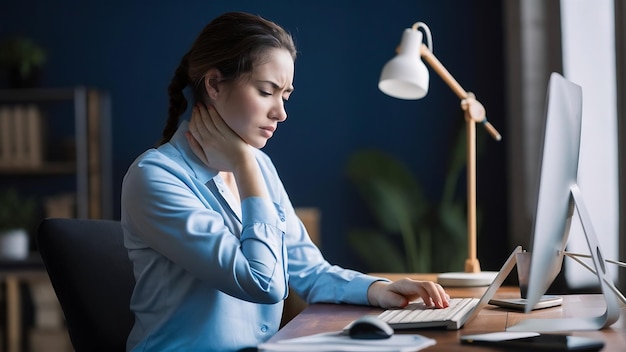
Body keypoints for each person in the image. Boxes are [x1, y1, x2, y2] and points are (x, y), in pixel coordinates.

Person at [121, 11, 449, 352]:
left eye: (285, 96)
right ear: (215, 84)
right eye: (267, 92)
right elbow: (263, 284)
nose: (281, 112)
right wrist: (244, 166)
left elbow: (309, 271)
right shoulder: (156, 178)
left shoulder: (257, 165)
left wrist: (378, 289)